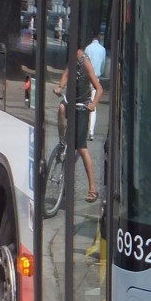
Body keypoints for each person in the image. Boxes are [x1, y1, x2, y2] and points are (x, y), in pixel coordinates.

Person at [53, 47, 102, 203]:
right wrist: (60, 87)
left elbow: (98, 88)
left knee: (81, 147)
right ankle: (62, 141)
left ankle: (93, 188)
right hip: (70, 103)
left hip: (82, 106)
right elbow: (66, 74)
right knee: (61, 108)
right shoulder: (72, 61)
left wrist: (93, 103)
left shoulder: (84, 62)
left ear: (78, 50)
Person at [84, 30, 106, 140]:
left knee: (84, 102)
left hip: (87, 78)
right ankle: (91, 132)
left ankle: (83, 127)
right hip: (96, 78)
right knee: (93, 104)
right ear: (99, 37)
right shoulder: (103, 50)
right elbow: (103, 66)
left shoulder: (87, 48)